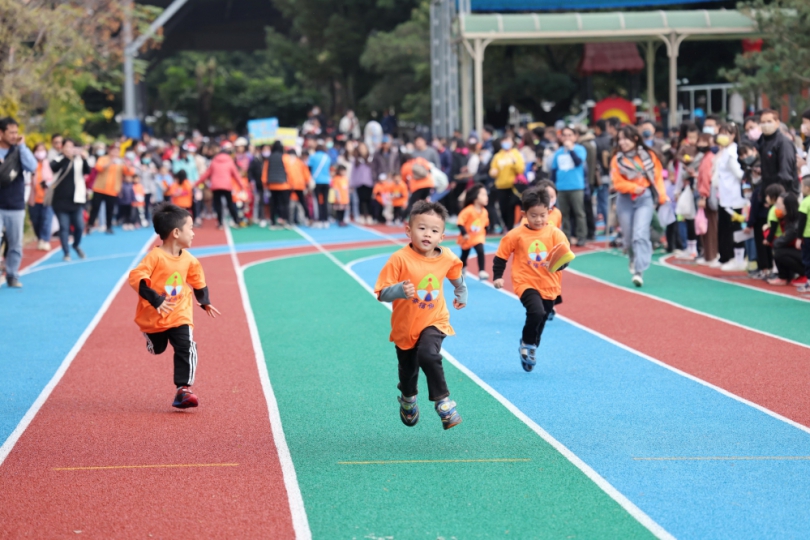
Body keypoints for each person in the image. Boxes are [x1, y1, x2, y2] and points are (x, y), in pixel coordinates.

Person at [374, 200, 467, 430]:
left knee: (428, 354)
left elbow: (455, 274)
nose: (428, 234)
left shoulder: (446, 257)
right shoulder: (399, 259)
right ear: (408, 230)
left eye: (434, 230)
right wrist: (399, 291)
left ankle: (443, 402)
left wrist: (461, 291)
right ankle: (407, 399)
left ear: (442, 236)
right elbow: (382, 293)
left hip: (435, 320)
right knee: (408, 374)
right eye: (422, 228)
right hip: (405, 327)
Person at [128, 203, 220, 409]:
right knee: (158, 349)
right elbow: (137, 278)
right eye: (191, 228)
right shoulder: (154, 257)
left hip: (180, 312)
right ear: (176, 232)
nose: (194, 233)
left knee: (185, 346)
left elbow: (198, 281)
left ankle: (184, 389)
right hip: (154, 315)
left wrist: (204, 301)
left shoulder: (189, 260)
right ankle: (151, 339)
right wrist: (156, 299)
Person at [492, 187, 574, 372]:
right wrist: (498, 277)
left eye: (542, 215)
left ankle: (532, 345)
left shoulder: (556, 234)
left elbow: (566, 258)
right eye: (533, 215)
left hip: (549, 283)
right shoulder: (516, 235)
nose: (539, 220)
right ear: (524, 214)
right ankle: (527, 343)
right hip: (525, 282)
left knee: (543, 316)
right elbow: (501, 256)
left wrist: (555, 265)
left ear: (549, 212)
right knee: (536, 312)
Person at [610, 125, 667, 287]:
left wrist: (662, 196)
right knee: (628, 237)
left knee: (640, 234)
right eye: (620, 139)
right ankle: (632, 257)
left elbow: (657, 178)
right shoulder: (617, 159)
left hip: (645, 199)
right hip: (625, 199)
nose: (622, 142)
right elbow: (617, 182)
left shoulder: (648, 156)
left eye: (625, 138)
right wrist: (633, 187)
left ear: (635, 138)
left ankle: (639, 271)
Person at [0, 117, 37, 288]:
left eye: (16, 132)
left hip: (15, 203)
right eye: (11, 132)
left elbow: (32, 166)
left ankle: (12, 275)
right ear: (1, 133)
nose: (15, 135)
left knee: (15, 243)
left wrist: (22, 146)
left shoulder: (19, 151)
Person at [46, 138, 91, 261]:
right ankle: (66, 252)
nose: (69, 149)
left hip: (76, 200)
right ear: (62, 147)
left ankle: (76, 245)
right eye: (67, 146)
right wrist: (65, 156)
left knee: (79, 226)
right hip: (60, 201)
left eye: (72, 147)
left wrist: (83, 156)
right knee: (64, 227)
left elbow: (88, 171)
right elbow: (53, 167)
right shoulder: (58, 158)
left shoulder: (79, 160)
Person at [550, 127, 587, 245]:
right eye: (564, 135)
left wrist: (571, 149)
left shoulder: (580, 149)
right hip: (561, 187)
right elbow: (554, 170)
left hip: (576, 186)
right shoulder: (558, 152)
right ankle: (566, 237)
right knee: (563, 214)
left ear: (575, 137)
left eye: (570, 135)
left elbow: (578, 162)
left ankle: (581, 236)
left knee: (579, 213)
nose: (567, 138)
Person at [198, 143, 244, 230]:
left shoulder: (214, 161)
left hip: (215, 186)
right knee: (230, 204)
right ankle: (236, 221)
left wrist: (196, 183)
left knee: (217, 205)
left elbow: (206, 174)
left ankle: (220, 223)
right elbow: (236, 175)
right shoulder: (230, 161)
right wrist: (242, 186)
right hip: (227, 185)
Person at [88, 143, 130, 234]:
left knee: (110, 210)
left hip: (112, 190)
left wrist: (126, 164)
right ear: (109, 151)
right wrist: (110, 162)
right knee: (95, 208)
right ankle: (90, 225)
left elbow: (129, 173)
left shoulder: (120, 162)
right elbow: (98, 168)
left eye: (117, 151)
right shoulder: (103, 159)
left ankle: (109, 227)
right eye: (114, 150)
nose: (115, 152)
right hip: (99, 188)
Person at [489, 136, 525, 232]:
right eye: (504, 140)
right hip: (501, 186)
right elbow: (493, 169)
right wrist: (493, 172)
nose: (506, 143)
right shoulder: (498, 156)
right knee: (503, 208)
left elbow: (520, 169)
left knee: (511, 207)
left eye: (508, 140)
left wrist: (514, 162)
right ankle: (506, 226)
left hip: (513, 186)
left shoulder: (516, 154)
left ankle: (510, 227)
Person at [769, 192, 803, 285]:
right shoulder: (789, 218)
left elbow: (780, 242)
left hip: (805, 252)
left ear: (787, 206)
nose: (777, 208)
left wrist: (767, 234)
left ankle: (803, 274)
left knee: (779, 251)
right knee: (781, 250)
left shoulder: (796, 221)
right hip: (801, 251)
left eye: (779, 205)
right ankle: (785, 277)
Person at [456, 183, 490, 280]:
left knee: (480, 250)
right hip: (467, 237)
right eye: (483, 195)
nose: (486, 197)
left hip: (478, 237)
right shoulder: (468, 210)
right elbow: (460, 222)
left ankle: (482, 271)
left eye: (486, 194)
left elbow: (486, 224)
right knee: (464, 255)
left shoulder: (485, 212)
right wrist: (464, 233)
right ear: (475, 197)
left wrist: (485, 232)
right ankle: (462, 268)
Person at [28, 143, 54, 250]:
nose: (40, 153)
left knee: (46, 219)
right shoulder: (31, 164)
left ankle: (45, 239)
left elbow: (54, 178)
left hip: (47, 198)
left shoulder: (49, 164)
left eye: (42, 150)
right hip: (34, 198)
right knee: (36, 220)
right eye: (38, 150)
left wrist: (47, 183)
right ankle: (40, 238)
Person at [263, 141, 292, 228]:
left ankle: (273, 222)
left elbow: (265, 172)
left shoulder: (269, 158)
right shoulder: (285, 157)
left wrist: (265, 184)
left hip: (272, 185)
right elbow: (289, 171)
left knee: (273, 204)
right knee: (285, 204)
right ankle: (285, 221)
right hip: (284, 185)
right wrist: (291, 183)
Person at [308, 143, 332, 227]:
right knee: (325, 201)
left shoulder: (313, 156)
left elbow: (309, 168)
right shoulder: (327, 157)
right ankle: (325, 220)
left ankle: (318, 220)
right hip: (326, 181)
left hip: (316, 181)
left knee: (317, 201)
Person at [350, 142, 374, 224]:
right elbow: (353, 172)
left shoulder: (371, 159)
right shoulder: (356, 159)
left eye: (364, 148)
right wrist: (352, 183)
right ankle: (361, 216)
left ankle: (370, 216)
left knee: (369, 200)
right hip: (359, 182)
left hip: (369, 182)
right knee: (361, 200)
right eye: (361, 148)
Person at [797, 176, 810, 293]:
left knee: (807, 259)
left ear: (807, 188)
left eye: (801, 186)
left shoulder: (805, 202)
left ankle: (809, 282)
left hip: (807, 235)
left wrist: (798, 237)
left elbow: (801, 222)